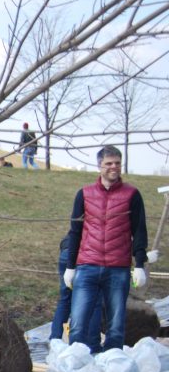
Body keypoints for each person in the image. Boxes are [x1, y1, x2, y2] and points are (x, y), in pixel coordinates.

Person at [64, 145, 152, 353]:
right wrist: (70, 266)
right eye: (109, 163)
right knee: (78, 321)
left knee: (116, 323)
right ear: (99, 166)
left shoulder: (132, 194)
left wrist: (139, 263)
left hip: (118, 267)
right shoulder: (84, 194)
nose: (114, 167)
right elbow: (75, 231)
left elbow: (139, 231)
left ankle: (112, 365)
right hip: (87, 265)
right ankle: (76, 367)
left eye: (117, 163)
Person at [51, 234, 102, 343]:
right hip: (87, 255)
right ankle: (91, 344)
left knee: (65, 300)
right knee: (94, 302)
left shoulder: (81, 219)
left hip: (67, 253)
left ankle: (54, 340)